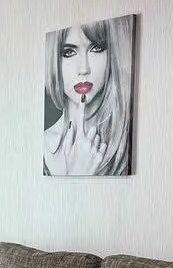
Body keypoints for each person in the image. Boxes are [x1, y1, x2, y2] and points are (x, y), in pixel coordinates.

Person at [43, 15, 133, 176]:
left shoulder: (126, 145)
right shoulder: (41, 144)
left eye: (97, 48)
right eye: (69, 52)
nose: (84, 68)